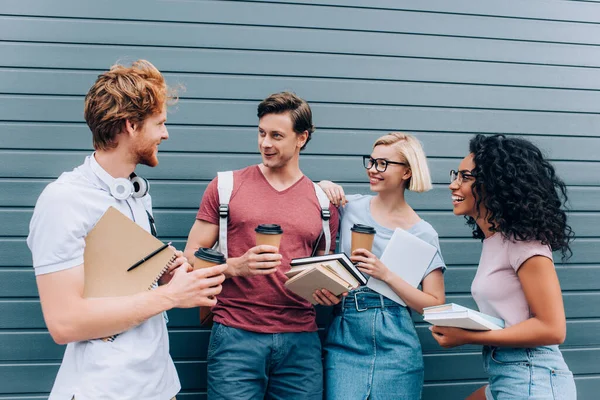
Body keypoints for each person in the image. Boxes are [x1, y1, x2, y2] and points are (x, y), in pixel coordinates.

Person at [27, 60, 227, 400]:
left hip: (157, 384)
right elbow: (64, 324)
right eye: (160, 123)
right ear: (131, 124)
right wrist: (171, 296)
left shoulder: (135, 193)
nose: (166, 134)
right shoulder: (64, 200)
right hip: (104, 389)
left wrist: (161, 272)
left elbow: (120, 284)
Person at [184, 91, 339, 399]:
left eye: (277, 136)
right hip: (235, 337)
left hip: (301, 344)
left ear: (301, 138)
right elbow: (191, 257)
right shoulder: (226, 186)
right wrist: (234, 267)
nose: (265, 143)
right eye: (262, 133)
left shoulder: (323, 201)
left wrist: (328, 293)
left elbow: (326, 269)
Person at [431, 134, 577, 399]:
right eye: (456, 175)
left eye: (465, 177)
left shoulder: (525, 244)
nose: (453, 185)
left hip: (534, 377)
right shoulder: (495, 241)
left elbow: (553, 328)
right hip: (510, 375)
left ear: (494, 185)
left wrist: (467, 336)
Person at [315, 132, 446, 399]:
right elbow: (302, 203)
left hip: (397, 343)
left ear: (407, 172)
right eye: (371, 162)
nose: (373, 170)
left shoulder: (424, 233)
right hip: (345, 335)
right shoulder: (348, 207)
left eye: (383, 164)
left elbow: (435, 306)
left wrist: (386, 274)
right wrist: (322, 185)